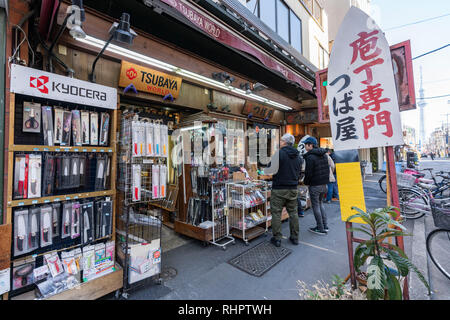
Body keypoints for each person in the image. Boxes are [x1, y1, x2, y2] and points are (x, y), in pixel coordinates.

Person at [264, 133, 303, 247]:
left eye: (281, 141)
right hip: (293, 188)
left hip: (279, 188)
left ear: (284, 142)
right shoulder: (298, 156)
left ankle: (277, 238)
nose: (280, 142)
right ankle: (295, 237)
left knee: (276, 213)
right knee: (293, 213)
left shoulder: (279, 154)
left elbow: (269, 170)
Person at [303, 137, 330, 235]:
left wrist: (306, 182)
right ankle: (325, 226)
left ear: (310, 145)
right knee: (321, 204)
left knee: (316, 206)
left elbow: (308, 173)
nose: (305, 147)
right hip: (324, 185)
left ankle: (320, 228)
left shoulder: (310, 157)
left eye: (306, 145)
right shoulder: (324, 155)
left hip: (315, 185)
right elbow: (327, 169)